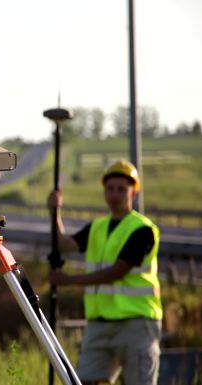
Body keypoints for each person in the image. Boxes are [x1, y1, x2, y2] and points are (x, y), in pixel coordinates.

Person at [47, 160, 162, 385]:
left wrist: (68, 280)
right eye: (110, 188)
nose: (115, 194)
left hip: (136, 323)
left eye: (121, 189)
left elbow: (117, 271)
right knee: (86, 381)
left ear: (134, 191)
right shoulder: (97, 227)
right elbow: (63, 244)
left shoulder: (142, 229)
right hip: (99, 324)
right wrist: (54, 211)